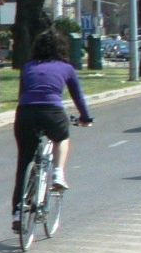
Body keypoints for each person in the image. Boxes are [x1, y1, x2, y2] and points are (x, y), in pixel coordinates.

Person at [11, 25, 93, 231]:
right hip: (52, 112)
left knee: (24, 163)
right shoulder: (66, 68)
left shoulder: (27, 66)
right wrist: (85, 117)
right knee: (62, 137)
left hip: (25, 113)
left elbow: (22, 94)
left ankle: (18, 213)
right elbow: (78, 97)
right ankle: (58, 173)